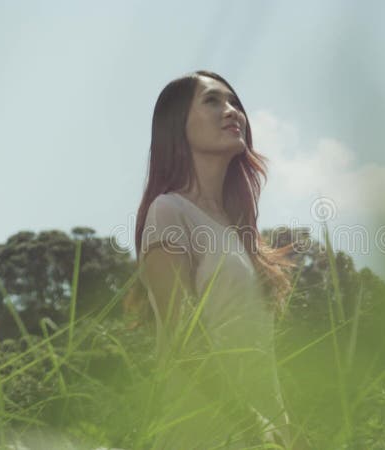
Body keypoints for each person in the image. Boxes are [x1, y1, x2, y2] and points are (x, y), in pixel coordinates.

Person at [129, 70, 308, 449]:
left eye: (234, 103)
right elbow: (183, 338)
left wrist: (285, 430)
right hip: (205, 432)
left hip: (266, 433)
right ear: (176, 125)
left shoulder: (242, 234)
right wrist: (247, 420)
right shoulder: (169, 212)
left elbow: (260, 356)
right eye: (212, 100)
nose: (232, 112)